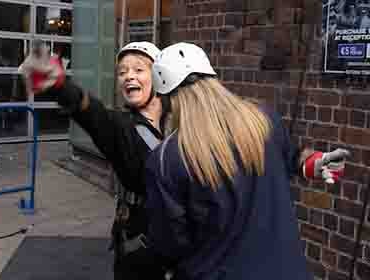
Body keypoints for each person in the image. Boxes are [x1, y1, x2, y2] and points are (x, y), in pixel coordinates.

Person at [144, 42, 350, 280]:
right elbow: (291, 158)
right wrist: (311, 162)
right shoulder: (263, 120)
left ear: (168, 99)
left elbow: (170, 243)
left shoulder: (165, 160)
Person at [19, 40, 169, 280]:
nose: (128, 76)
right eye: (122, 72)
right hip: (140, 243)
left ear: (160, 76)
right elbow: (92, 113)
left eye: (139, 69)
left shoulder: (181, 118)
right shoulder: (120, 127)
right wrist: (61, 87)